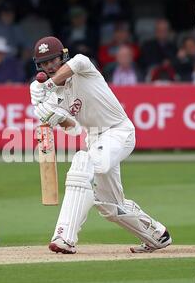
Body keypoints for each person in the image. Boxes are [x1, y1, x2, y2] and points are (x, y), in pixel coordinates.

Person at [29, 36, 172, 254]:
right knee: (110, 206)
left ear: (63, 56)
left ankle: (64, 236)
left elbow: (78, 62)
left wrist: (48, 85)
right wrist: (48, 114)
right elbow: (72, 128)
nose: (49, 65)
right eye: (44, 63)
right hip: (95, 138)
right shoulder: (55, 95)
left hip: (119, 131)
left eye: (53, 60)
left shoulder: (82, 67)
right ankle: (157, 235)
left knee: (81, 161)